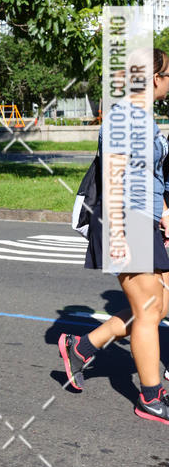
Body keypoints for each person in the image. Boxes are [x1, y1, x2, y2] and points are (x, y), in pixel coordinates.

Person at [58, 48, 169, 424]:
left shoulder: (146, 118)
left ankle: (85, 346)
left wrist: (164, 214)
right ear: (154, 78)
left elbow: (154, 176)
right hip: (126, 218)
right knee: (150, 309)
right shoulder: (125, 117)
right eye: (168, 75)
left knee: (158, 305)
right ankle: (152, 397)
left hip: (144, 218)